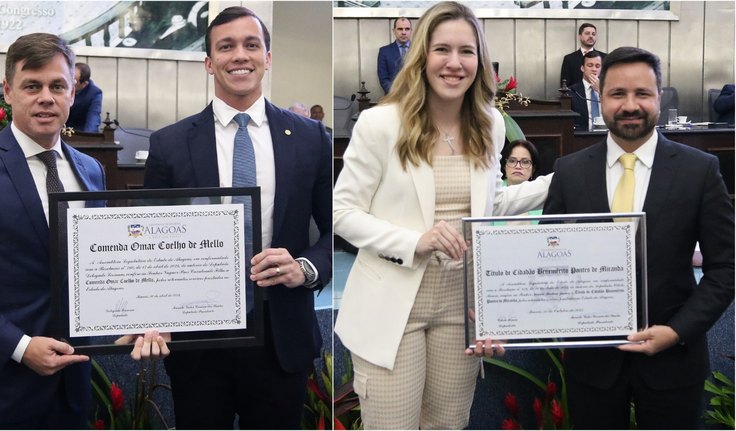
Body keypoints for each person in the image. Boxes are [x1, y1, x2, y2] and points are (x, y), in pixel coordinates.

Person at [334, 2, 551, 429]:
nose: (455, 63)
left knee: (448, 425)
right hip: (393, 309)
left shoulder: (488, 124)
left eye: (467, 52)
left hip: (460, 306)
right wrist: (416, 241)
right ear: (422, 56)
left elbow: (489, 207)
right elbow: (343, 212)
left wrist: (558, 182)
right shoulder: (380, 124)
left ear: (480, 60)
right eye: (442, 50)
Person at [143, 6, 332, 429]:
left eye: (251, 45)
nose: (239, 56)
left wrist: (306, 268)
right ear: (209, 62)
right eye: (225, 47)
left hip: (281, 335)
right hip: (198, 343)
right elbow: (148, 244)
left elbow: (339, 230)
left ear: (268, 56)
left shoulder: (310, 139)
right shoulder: (170, 145)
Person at [544, 46, 734, 429]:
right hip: (593, 364)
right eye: (618, 94)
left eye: (642, 94)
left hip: (673, 363)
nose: (630, 105)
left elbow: (726, 268)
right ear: (601, 97)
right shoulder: (569, 172)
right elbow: (548, 262)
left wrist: (678, 331)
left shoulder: (700, 171)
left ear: (658, 97)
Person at [560, 23, 606, 87]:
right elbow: (564, 87)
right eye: (587, 33)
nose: (591, 36)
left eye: (593, 34)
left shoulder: (605, 58)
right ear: (580, 36)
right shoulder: (569, 59)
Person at [569, 50, 603, 130]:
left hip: (604, 135)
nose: (594, 69)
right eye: (590, 65)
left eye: (597, 66)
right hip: (582, 137)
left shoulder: (608, 90)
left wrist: (601, 91)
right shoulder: (572, 92)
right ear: (582, 68)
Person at [377, 17, 412, 94]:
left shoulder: (419, 50)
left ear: (411, 31)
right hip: (393, 98)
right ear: (394, 31)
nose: (404, 32)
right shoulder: (384, 51)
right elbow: (384, 79)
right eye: (400, 29)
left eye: (407, 29)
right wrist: (396, 94)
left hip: (416, 99)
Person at [67, 62, 103, 132]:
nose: (68, 83)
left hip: (81, 134)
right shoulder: (61, 87)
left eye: (73, 81)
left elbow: (93, 118)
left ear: (84, 84)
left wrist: (88, 138)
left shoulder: (95, 93)